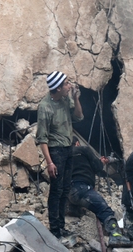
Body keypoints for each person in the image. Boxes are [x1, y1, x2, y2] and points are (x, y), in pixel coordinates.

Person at [36, 70, 83, 238]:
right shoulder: (45, 107)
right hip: (56, 151)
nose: (69, 86)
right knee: (56, 190)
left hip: (68, 148)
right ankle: (55, 229)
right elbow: (42, 138)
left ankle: (62, 226)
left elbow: (78, 117)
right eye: (66, 84)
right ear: (57, 88)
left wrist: (76, 98)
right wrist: (49, 162)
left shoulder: (65, 99)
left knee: (65, 189)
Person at [68, 141, 132, 248]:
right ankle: (115, 236)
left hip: (70, 192)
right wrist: (102, 162)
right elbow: (97, 167)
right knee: (104, 210)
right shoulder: (84, 149)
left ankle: (74, 210)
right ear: (77, 143)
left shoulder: (64, 155)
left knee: (83, 205)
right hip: (83, 188)